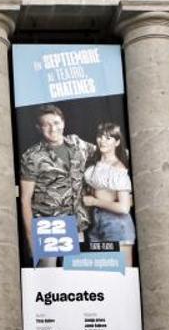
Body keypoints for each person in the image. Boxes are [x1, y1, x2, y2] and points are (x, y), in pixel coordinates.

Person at [19, 104, 94, 265]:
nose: (53, 128)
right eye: (46, 125)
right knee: (48, 277)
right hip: (49, 225)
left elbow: (107, 155)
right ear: (39, 128)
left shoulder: (78, 144)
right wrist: (30, 238)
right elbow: (25, 199)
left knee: (77, 276)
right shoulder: (32, 156)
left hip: (77, 222)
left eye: (56, 122)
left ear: (63, 123)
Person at [81, 122, 134, 265]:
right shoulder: (94, 161)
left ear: (117, 142)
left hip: (117, 224)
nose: (102, 140)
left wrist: (94, 201)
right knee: (102, 276)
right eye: (100, 136)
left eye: (108, 138)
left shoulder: (118, 169)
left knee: (123, 274)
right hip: (95, 223)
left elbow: (124, 207)